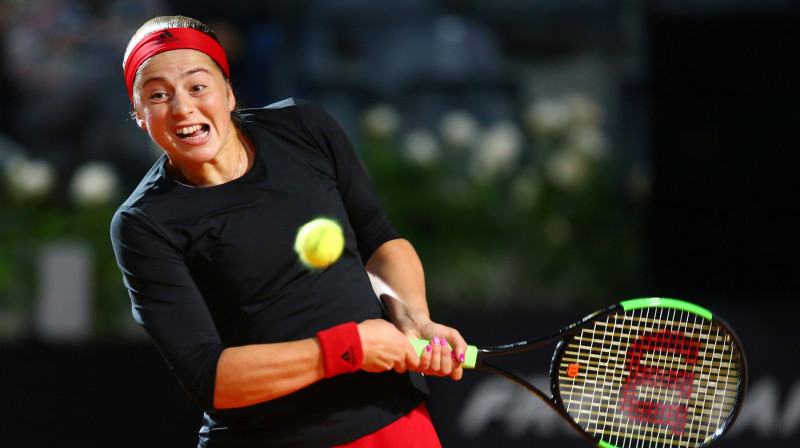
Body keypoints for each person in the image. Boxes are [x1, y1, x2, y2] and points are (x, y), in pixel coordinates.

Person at [110, 15, 468, 448]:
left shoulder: (304, 126)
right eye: (158, 95)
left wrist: (413, 318)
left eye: (197, 86)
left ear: (228, 92)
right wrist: (348, 346)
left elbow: (376, 237)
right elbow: (209, 377)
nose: (182, 107)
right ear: (140, 117)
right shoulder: (142, 223)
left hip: (394, 419)